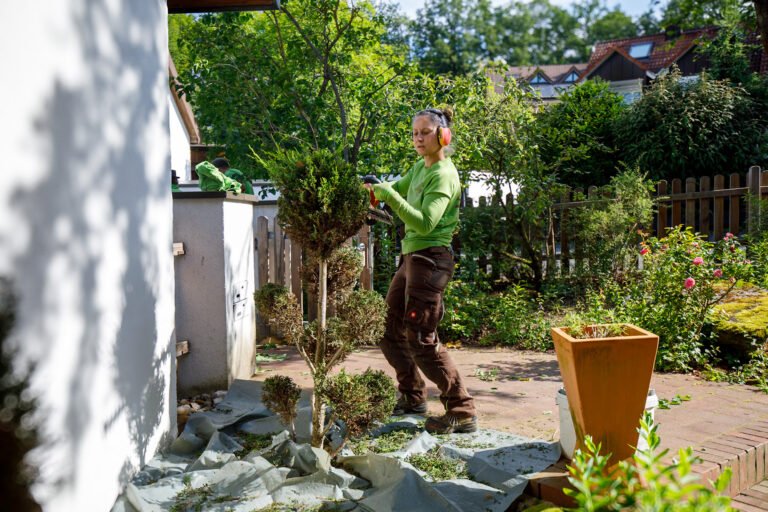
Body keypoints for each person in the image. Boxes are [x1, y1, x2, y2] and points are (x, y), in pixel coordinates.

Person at [366, 107, 477, 434]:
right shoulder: (419, 167)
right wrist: (374, 190)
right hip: (412, 258)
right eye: (415, 132)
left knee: (421, 338)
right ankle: (413, 396)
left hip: (431, 259)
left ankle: (462, 409)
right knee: (387, 328)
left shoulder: (443, 174)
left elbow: (426, 222)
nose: (418, 138)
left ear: (443, 136)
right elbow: (396, 187)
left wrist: (388, 196)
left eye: (425, 132)